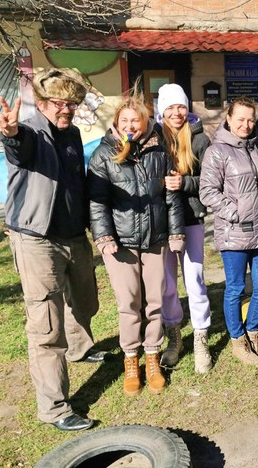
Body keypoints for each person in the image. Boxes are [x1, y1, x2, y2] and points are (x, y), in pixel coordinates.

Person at [0, 67, 102, 432]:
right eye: (61, 103)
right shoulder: (29, 132)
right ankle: (55, 407)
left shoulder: (70, 133)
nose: (68, 110)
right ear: (41, 103)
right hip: (36, 239)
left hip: (74, 236)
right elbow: (18, 147)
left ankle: (79, 349)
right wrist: (10, 133)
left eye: (72, 103)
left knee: (86, 301)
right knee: (46, 325)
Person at [88, 92, 185, 396]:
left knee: (154, 301)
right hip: (121, 244)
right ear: (117, 123)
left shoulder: (159, 151)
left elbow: (171, 196)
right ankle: (132, 359)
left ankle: (152, 357)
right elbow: (97, 202)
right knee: (129, 303)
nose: (131, 125)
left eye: (136, 121)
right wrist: (103, 236)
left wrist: (175, 232)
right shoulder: (103, 154)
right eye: (125, 120)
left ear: (145, 124)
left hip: (156, 240)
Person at [200, 97, 258, 367]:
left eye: (250, 119)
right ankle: (238, 339)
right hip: (235, 233)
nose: (246, 125)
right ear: (229, 119)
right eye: (240, 119)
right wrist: (235, 213)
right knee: (235, 288)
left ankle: (254, 332)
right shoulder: (217, 151)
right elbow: (207, 191)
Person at [155, 84, 213, 374]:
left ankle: (201, 337)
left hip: (191, 218)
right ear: (161, 110)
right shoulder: (153, 138)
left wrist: (185, 183)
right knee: (167, 283)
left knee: (195, 279)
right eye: (170, 107)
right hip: (161, 222)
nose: (177, 112)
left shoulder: (201, 139)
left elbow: (215, 178)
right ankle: (174, 335)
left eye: (181, 107)